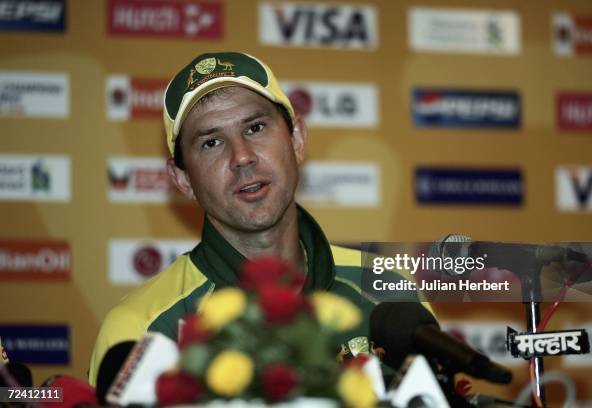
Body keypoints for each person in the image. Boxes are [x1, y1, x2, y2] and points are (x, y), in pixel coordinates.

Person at [87, 52, 377, 386]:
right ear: (182, 179)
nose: (241, 157)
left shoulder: (386, 293)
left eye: (255, 128)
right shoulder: (141, 329)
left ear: (296, 139)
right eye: (211, 142)